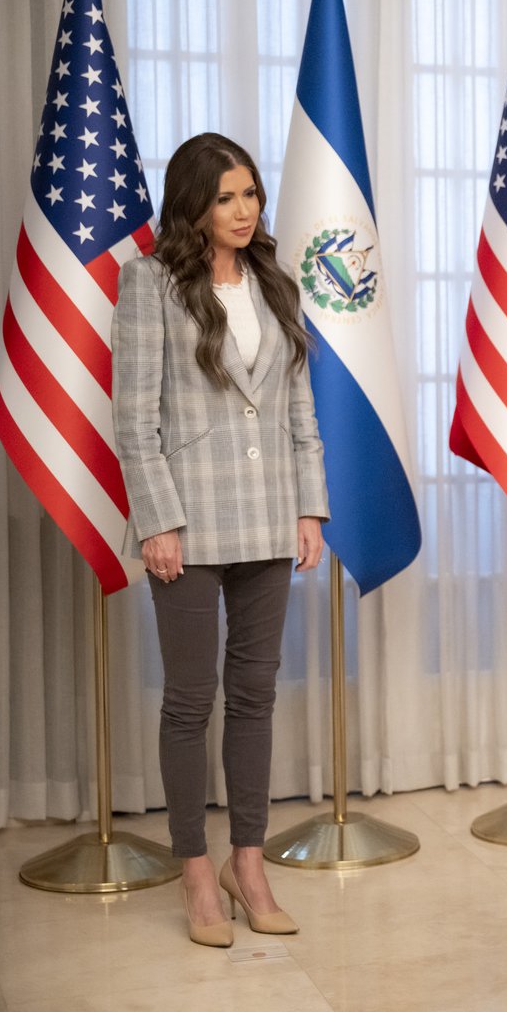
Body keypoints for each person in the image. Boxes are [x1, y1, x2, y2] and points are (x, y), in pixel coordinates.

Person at [112, 133, 329, 947]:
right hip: (189, 523)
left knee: (255, 694)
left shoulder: (279, 283)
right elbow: (134, 418)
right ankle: (195, 872)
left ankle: (249, 859)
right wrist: (157, 518)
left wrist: (310, 508)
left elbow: (298, 410)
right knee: (190, 699)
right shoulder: (151, 284)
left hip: (271, 514)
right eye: (229, 197)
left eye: (253, 196)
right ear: (194, 203)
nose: (246, 212)